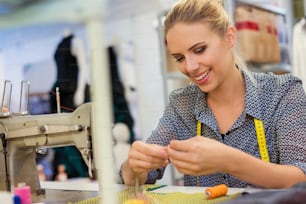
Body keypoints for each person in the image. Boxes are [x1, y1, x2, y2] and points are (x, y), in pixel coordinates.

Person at [120, 0, 306, 188]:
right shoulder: (182, 105)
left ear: (229, 37)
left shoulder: (283, 93)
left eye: (199, 50)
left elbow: (301, 178)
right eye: (179, 58)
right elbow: (138, 177)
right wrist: (135, 167)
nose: (190, 67)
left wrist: (229, 161)